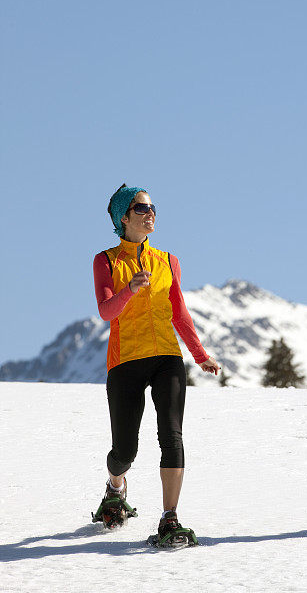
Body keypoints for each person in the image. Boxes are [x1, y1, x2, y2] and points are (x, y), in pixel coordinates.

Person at [92, 184, 219, 544]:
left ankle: (169, 518)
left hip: (166, 357)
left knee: (172, 435)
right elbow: (105, 312)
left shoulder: (167, 260)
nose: (150, 214)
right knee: (124, 451)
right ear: (123, 217)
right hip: (126, 360)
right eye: (141, 208)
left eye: (152, 208)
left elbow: (179, 313)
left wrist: (199, 355)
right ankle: (115, 487)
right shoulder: (106, 260)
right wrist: (129, 289)